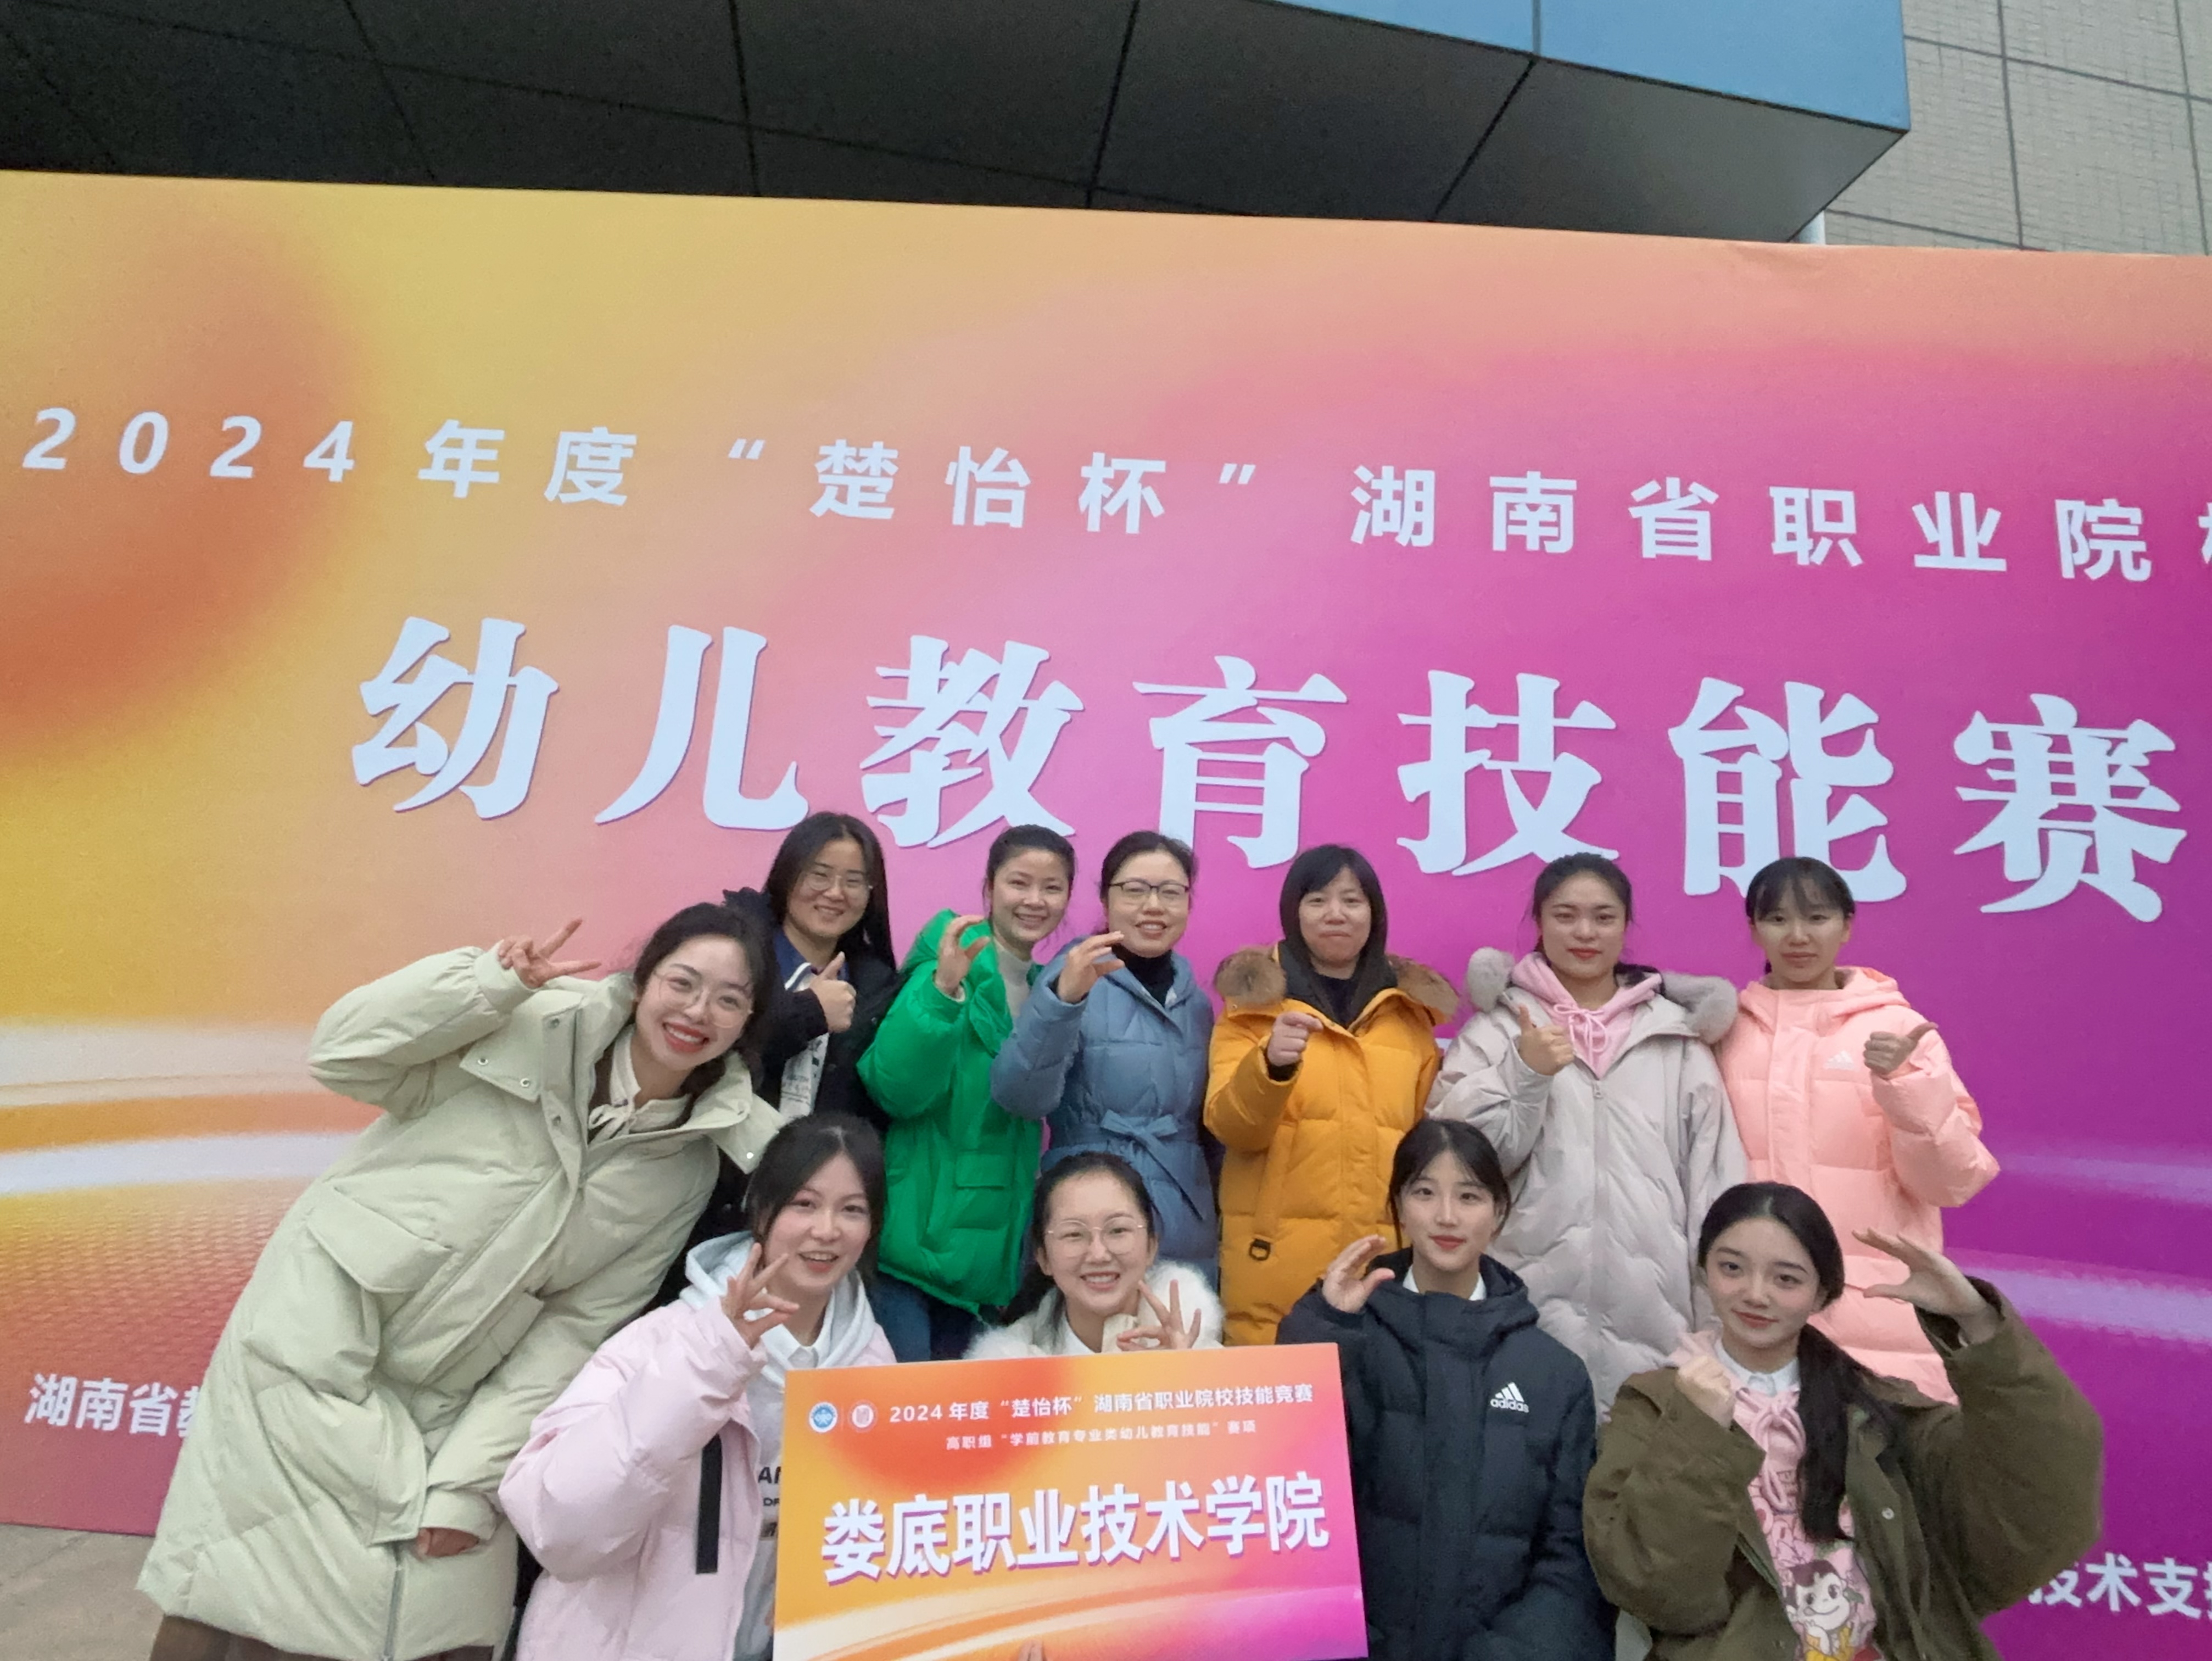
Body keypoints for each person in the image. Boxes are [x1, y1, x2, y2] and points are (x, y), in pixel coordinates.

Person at [142, 906, 788, 1661]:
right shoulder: (527, 1020)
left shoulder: (685, 1163)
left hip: (458, 1393)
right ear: (643, 982)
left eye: (728, 999)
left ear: (747, 1024)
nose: (697, 1012)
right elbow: (343, 1056)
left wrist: (468, 1480)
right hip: (316, 1336)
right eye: (683, 983)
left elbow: (576, 1326)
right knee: (249, 1595)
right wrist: (482, 986)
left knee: (442, 1619)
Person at [1583, 1183, 2103, 1661]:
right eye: (1732, 1268)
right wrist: (1698, 1433)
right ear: (1702, 1272)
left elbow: (2043, 1488)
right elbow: (1658, 1590)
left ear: (1823, 1294)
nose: (1756, 1294)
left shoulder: (1879, 1408)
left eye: (1786, 1279)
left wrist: (1976, 1320)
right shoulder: (1654, 1405)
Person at [501, 1116, 891, 1661]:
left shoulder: (875, 1366)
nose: (826, 1230)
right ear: (761, 1211)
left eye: (852, 1209)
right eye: (804, 1204)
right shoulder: (665, 1341)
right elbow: (558, 1528)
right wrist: (710, 1363)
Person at [1280, 1119, 1613, 1661]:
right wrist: (1323, 1330)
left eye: (1469, 1196)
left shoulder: (1554, 1375)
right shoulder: (1349, 1338)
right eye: (1424, 1193)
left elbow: (1572, 1562)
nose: (1447, 1216)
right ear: (1397, 1206)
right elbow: (1284, 1485)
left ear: (1499, 1212)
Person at [1427, 852, 1742, 1407]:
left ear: (1625, 926)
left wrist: (1717, 1324)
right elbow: (1455, 1166)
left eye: (1603, 917)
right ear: (1539, 922)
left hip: (1656, 1321)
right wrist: (1523, 1072)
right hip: (1517, 1308)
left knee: (1638, 1455)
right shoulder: (1497, 1030)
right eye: (1565, 915)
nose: (1584, 932)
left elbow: (1716, 1186)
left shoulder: (1676, 1040)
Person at [1719, 856, 1996, 1400]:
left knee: (1881, 1452)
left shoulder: (1898, 1030)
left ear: (1847, 926)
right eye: (1776, 919)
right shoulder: (1726, 1030)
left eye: (1817, 918)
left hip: (1880, 1310)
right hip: (1750, 1309)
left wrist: (1906, 1085)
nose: (1798, 936)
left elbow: (1950, 1182)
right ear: (1752, 929)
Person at [1207, 844, 1455, 1346]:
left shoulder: (1409, 1020)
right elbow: (1233, 1128)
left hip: (1386, 1266)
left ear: (1374, 913)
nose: (1335, 914)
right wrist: (1271, 1066)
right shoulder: (1251, 1011)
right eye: (1318, 900)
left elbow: (1429, 1150)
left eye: (1352, 900)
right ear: (1293, 912)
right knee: (1284, 1396)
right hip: (1275, 1267)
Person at [859, 824, 1076, 1361]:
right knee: (904, 1407)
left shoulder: (1052, 989)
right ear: (988, 888)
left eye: (1051, 888)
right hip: (911, 1255)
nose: (1034, 900)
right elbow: (895, 1089)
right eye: (1019, 883)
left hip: (985, 1271)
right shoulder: (949, 965)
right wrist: (942, 992)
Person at [990, 832, 1218, 1277]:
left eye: (1171, 892)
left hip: (1185, 1228)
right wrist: (1063, 1004)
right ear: (1105, 899)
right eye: (1135, 890)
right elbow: (1020, 1096)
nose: (1153, 906)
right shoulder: (1072, 976)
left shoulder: (1197, 1003)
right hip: (1090, 1215)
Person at [725, 811, 900, 1132]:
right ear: (787, 875)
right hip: (723, 1154)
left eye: (853, 881)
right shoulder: (733, 954)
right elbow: (720, 1056)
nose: (835, 893)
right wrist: (811, 1012)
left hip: (820, 1160)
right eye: (819, 875)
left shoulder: (877, 986)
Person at [968, 1151, 1224, 1358]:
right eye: (1074, 1234)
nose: (1098, 1254)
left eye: (1118, 1230)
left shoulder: (1205, 1362)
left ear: (1151, 1246)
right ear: (1043, 1257)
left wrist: (1182, 1383)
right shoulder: (1005, 1375)